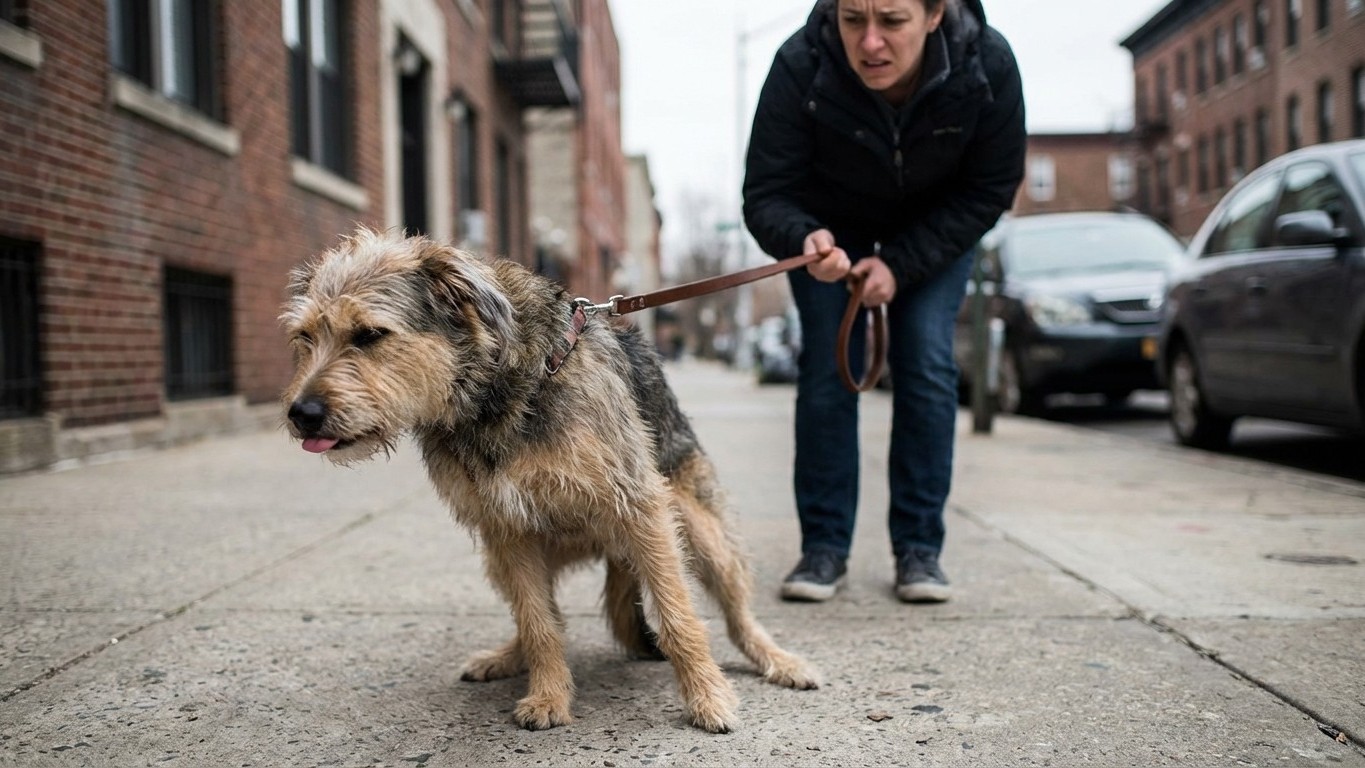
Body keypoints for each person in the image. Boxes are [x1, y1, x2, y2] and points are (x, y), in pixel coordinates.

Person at [742, 0, 1025, 603]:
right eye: (853, 20)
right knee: (827, 368)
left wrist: (900, 263)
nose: (870, 42)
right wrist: (804, 239)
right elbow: (767, 191)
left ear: (932, 15)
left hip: (933, 232)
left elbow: (991, 187)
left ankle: (919, 549)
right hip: (829, 237)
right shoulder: (799, 62)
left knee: (926, 361)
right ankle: (823, 548)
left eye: (891, 21)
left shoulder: (987, 63)